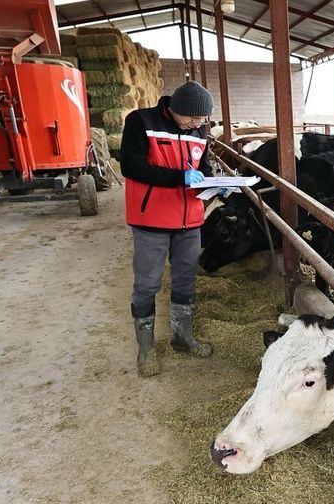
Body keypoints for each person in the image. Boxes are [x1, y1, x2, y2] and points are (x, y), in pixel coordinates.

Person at [120, 81, 216, 377]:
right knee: (148, 283)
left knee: (186, 279)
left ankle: (182, 338)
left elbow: (205, 167)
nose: (198, 124)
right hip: (152, 220)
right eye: (193, 118)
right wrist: (179, 178)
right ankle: (146, 348)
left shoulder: (199, 131)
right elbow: (131, 166)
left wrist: (217, 185)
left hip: (190, 220)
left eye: (203, 120)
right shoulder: (141, 121)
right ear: (175, 109)